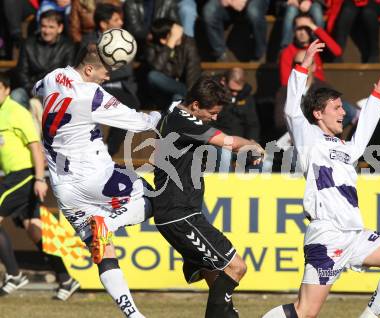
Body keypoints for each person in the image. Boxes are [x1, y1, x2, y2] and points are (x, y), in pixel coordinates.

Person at [262, 40, 380, 318]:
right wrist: (303, 65)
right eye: (336, 107)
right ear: (318, 113)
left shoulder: (347, 148)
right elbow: (291, 111)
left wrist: (377, 100)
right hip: (327, 235)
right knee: (306, 312)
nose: (343, 112)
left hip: (355, 233)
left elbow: (363, 134)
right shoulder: (308, 137)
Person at [33, 43, 161, 317]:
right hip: (95, 176)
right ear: (89, 69)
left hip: (63, 188)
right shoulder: (91, 94)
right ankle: (110, 222)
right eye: (105, 73)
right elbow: (140, 124)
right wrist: (158, 115)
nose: (107, 78)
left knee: (103, 250)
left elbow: (36, 90)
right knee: (155, 199)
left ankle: (133, 315)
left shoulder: (53, 77)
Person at [153, 75, 265, 317]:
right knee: (236, 267)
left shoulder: (174, 115)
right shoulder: (183, 121)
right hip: (179, 215)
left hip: (182, 213)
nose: (214, 118)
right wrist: (254, 145)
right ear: (195, 105)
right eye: (212, 113)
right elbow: (228, 142)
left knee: (219, 287)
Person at [0, 72, 80, 301]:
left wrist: (39, 178)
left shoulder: (16, 112)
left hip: (23, 176)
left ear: (6, 89)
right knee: (35, 229)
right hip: (13, 176)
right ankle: (66, 279)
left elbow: (35, 146)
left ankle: (14, 275)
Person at [93, 3, 141, 156]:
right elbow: (90, 70)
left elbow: (126, 69)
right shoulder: (89, 41)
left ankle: (109, 150)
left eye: (121, 19)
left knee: (132, 108)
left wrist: (103, 66)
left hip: (122, 88)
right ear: (103, 24)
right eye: (116, 19)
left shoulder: (123, 40)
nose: (121, 23)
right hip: (98, 87)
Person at [12, 10, 75, 109]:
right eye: (44, 26)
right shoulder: (28, 44)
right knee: (16, 96)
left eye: (51, 27)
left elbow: (68, 74)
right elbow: (22, 72)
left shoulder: (68, 46)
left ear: (60, 28)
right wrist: (34, 91)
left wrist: (51, 92)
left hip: (57, 91)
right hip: (32, 89)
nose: (46, 31)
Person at [144, 18, 201, 109]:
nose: (179, 35)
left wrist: (191, 96)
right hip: (163, 92)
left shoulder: (188, 44)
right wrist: (170, 45)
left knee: (178, 97)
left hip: (184, 88)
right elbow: (155, 69)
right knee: (153, 75)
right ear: (163, 40)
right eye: (174, 34)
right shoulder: (152, 46)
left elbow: (193, 74)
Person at [212, 67, 261, 172]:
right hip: (218, 143)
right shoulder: (212, 95)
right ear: (223, 81)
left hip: (241, 145)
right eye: (232, 90)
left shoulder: (246, 97)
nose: (234, 93)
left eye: (238, 91)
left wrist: (253, 141)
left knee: (260, 160)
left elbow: (252, 124)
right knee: (224, 157)